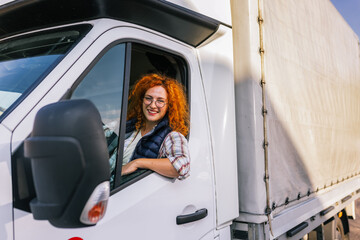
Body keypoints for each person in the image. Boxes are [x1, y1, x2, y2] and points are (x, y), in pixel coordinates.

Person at [109, 73, 190, 184]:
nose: (152, 105)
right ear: (141, 100)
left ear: (169, 106)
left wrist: (137, 162)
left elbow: (182, 167)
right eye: (148, 98)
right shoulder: (127, 126)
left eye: (160, 101)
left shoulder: (171, 136)